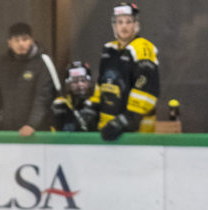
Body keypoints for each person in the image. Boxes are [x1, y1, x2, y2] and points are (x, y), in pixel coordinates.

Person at [0, 22, 58, 136]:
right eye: (16, 40)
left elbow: (43, 98)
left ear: (31, 40)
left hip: (38, 133)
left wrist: (32, 124)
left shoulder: (43, 63)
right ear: (9, 42)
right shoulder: (1, 66)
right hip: (9, 132)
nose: (21, 44)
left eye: (25, 39)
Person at [97, 3, 159, 140]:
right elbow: (101, 84)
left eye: (128, 22)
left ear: (136, 24)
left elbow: (146, 92)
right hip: (107, 131)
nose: (124, 26)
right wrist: (91, 108)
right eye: (120, 22)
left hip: (136, 135)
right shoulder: (109, 50)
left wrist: (126, 120)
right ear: (114, 25)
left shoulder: (143, 49)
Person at [51, 61, 100, 132]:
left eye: (83, 80)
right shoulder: (61, 104)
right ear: (68, 84)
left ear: (90, 82)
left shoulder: (99, 101)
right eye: (75, 81)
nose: (80, 84)